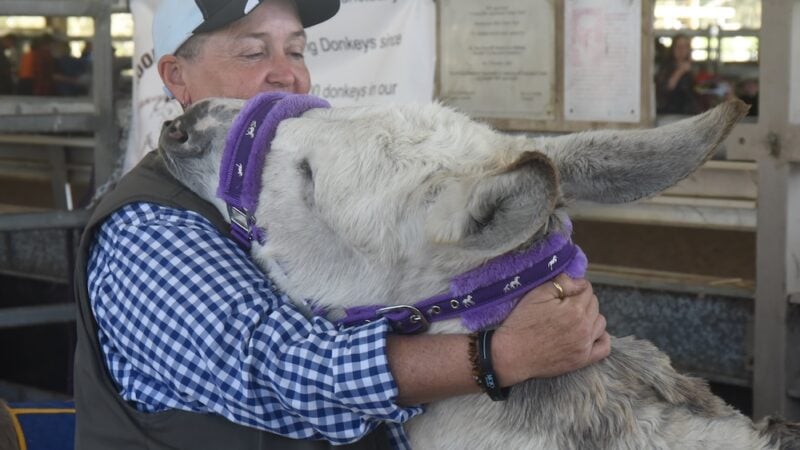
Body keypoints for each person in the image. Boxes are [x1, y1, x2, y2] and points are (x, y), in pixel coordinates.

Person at [73, 1, 610, 449]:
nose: (286, 73)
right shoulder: (147, 229)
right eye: (253, 51)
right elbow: (274, 370)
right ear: (175, 77)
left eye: (297, 50)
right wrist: (498, 356)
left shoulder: (284, 196)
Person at [655, 33, 701, 115]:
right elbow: (666, 88)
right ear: (673, 49)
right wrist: (680, 71)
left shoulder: (693, 67)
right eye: (678, 47)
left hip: (689, 114)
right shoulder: (665, 67)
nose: (681, 50)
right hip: (670, 114)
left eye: (684, 47)